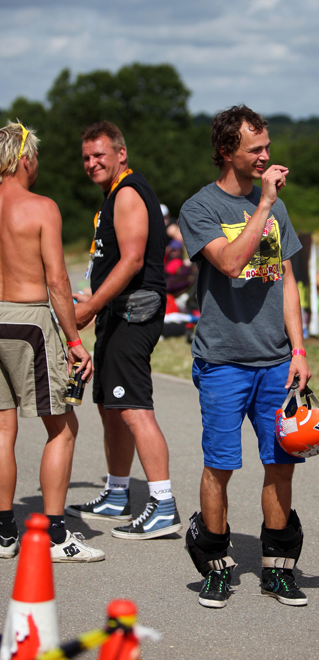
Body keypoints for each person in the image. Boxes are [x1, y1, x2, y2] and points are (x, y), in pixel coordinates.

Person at [179, 105, 311, 609]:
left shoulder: (273, 206)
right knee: (221, 465)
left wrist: (298, 350)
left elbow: (288, 281)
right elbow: (233, 264)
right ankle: (215, 562)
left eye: (268, 147)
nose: (265, 157)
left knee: (281, 463)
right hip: (223, 361)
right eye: (254, 149)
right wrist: (263, 207)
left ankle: (278, 566)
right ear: (225, 151)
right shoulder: (201, 208)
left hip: (275, 360)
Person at [66, 121, 182, 541]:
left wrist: (91, 306)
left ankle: (163, 504)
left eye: (99, 154)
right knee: (110, 405)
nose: (92, 162)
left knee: (133, 407)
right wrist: (93, 296)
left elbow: (133, 261)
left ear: (121, 154)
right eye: (86, 157)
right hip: (115, 312)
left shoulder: (129, 193)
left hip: (134, 314)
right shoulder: (113, 194)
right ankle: (117, 493)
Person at [0, 122, 104, 562]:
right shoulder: (42, 207)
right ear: (26, 158)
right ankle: (57, 536)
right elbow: (58, 281)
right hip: (29, 321)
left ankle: (4, 534)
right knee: (62, 427)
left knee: (3, 428)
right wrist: (76, 342)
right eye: (36, 158)